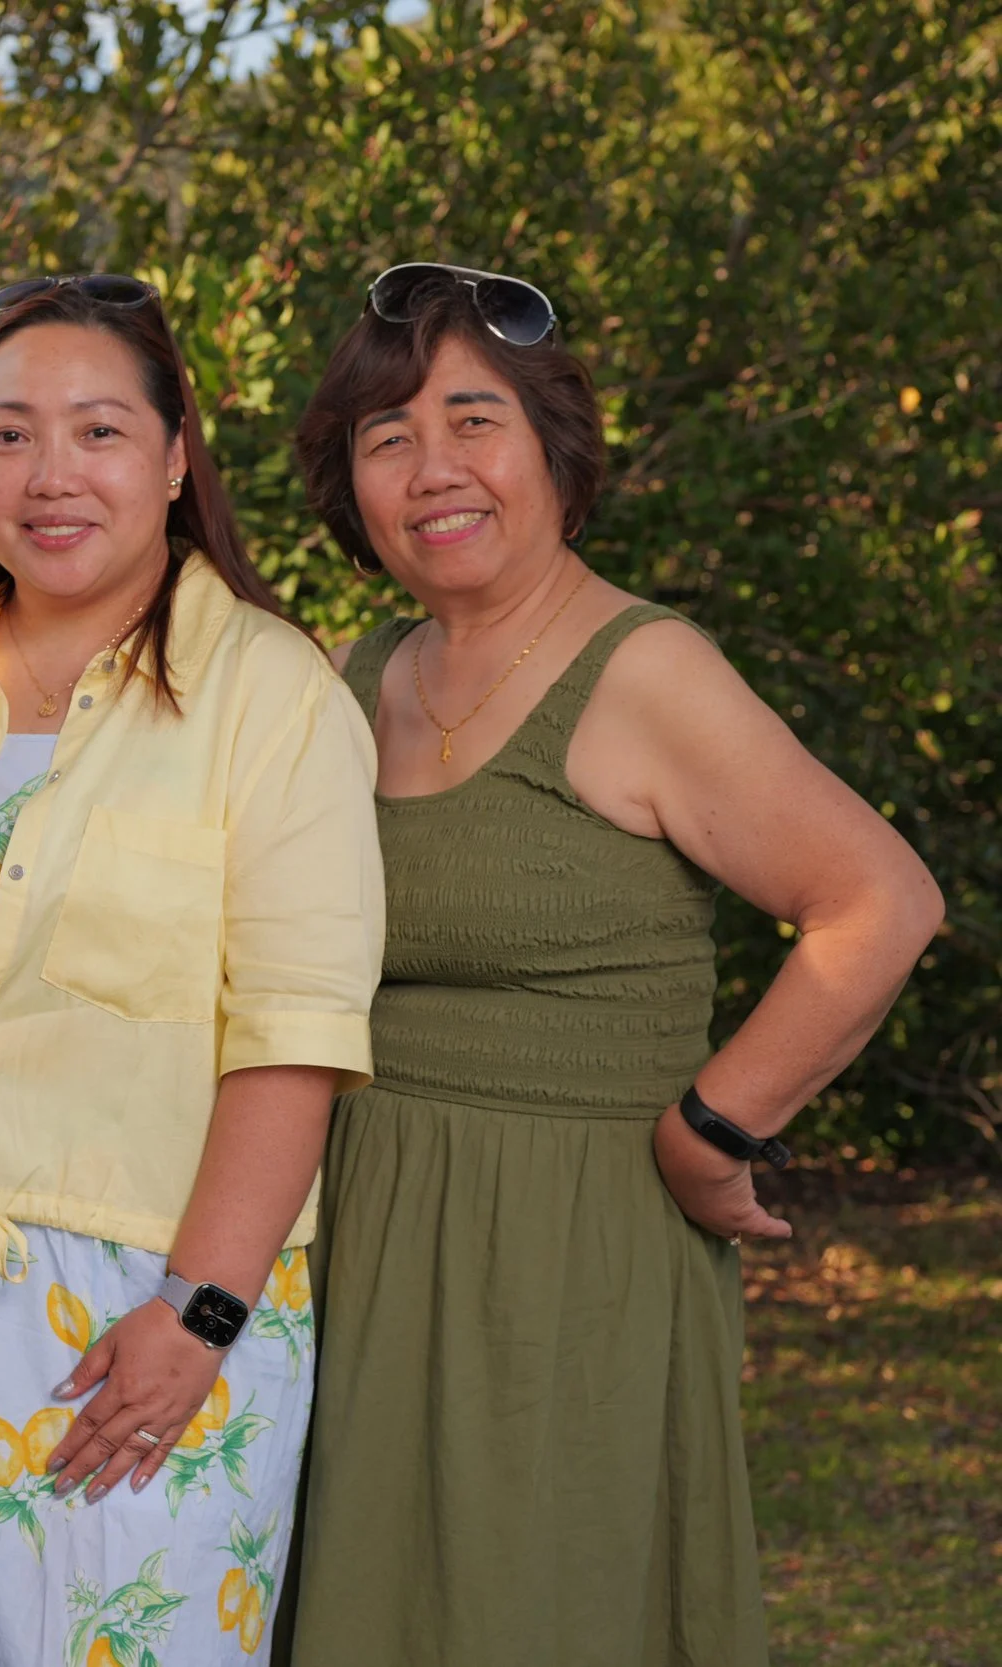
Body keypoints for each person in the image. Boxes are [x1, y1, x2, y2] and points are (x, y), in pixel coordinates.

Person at [275, 263, 946, 1665]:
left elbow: (879, 899)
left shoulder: (643, 670)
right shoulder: (359, 674)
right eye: (387, 437)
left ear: (553, 451)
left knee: (544, 1609)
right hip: (363, 1244)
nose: (434, 467)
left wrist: (718, 1129)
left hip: (561, 1260)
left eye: (474, 420)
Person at [0, 276, 385, 1666]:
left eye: (99, 431)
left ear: (178, 453)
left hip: (136, 1304)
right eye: (9, 434)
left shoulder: (273, 693)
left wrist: (197, 1318)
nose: (51, 473)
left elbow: (293, 1039)